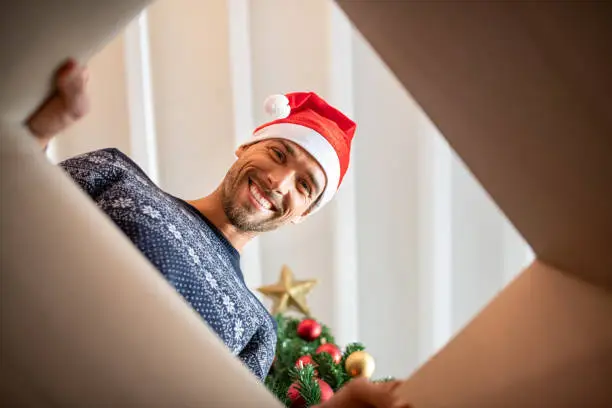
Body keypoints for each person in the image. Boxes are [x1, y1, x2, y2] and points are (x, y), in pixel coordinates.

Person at [26, 59, 412, 408]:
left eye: (305, 185)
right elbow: (20, 204)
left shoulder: (256, 329)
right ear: (244, 148)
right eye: (278, 154)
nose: (278, 181)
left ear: (303, 214)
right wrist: (41, 130)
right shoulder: (116, 174)